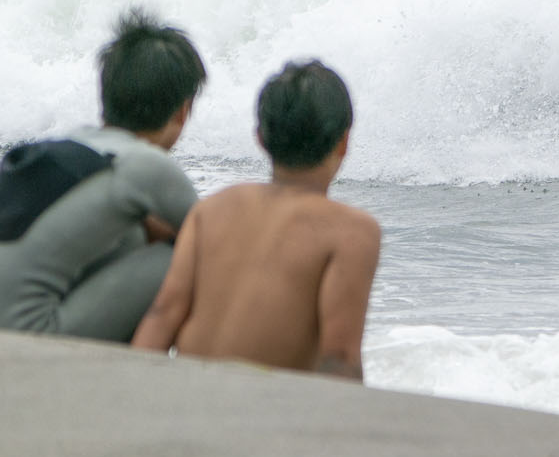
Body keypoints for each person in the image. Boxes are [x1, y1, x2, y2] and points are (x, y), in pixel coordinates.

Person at [133, 60, 380, 381]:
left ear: (261, 138)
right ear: (344, 142)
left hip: (187, 394)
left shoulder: (213, 209)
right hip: (260, 411)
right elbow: (340, 358)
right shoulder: (352, 232)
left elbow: (164, 314)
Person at [0, 9, 205, 341]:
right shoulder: (148, 165)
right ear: (183, 111)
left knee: (133, 235)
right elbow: (216, 241)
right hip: (32, 336)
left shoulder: (69, 145)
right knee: (188, 253)